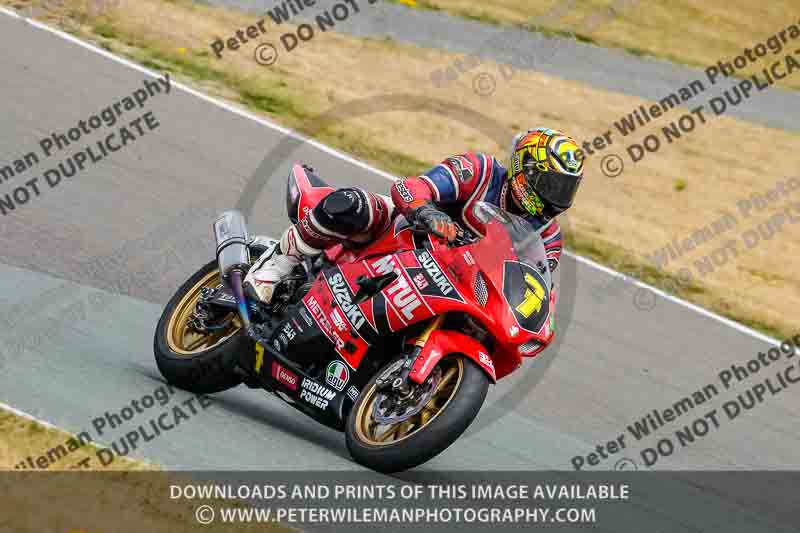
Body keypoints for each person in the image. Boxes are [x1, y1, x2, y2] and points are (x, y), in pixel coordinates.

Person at [244, 128, 584, 304]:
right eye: (551, 184)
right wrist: (428, 212)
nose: (556, 196)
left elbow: (530, 287)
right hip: (406, 235)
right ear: (525, 168)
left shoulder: (548, 237)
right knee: (354, 204)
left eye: (566, 188)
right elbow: (411, 188)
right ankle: (276, 265)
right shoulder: (478, 171)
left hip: (459, 284)